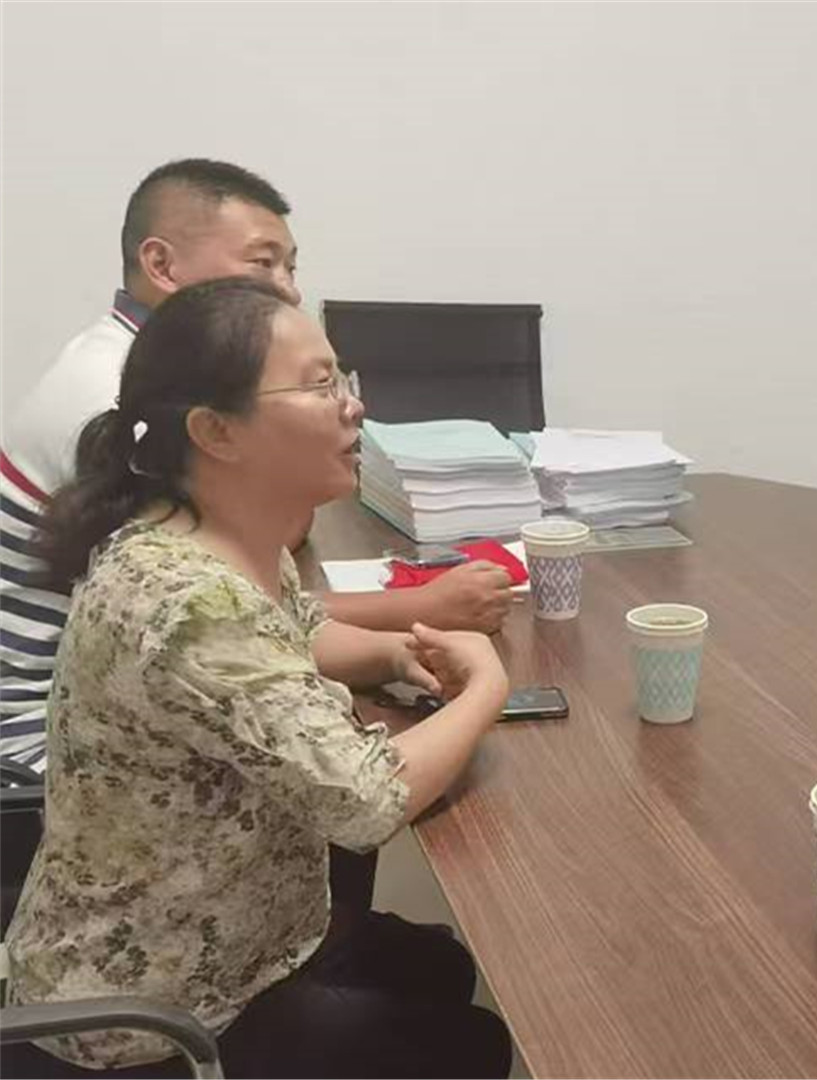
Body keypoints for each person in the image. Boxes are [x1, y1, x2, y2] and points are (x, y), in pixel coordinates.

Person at [3, 278, 513, 1077]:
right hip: (154, 1016)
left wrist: (393, 654)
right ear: (215, 430)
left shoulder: (207, 532)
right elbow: (366, 801)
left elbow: (297, 633)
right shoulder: (188, 601)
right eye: (319, 385)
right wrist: (486, 687)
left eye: (342, 379)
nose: (353, 406)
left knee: (442, 967)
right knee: (474, 1045)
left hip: (244, 935)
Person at [1, 158, 510, 773]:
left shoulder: (142, 370)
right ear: (161, 265)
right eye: (262, 263)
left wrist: (393, 648)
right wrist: (432, 624)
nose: (287, 290)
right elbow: (221, 615)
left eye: (290, 267)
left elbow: (267, 578)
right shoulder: (112, 396)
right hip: (43, 747)